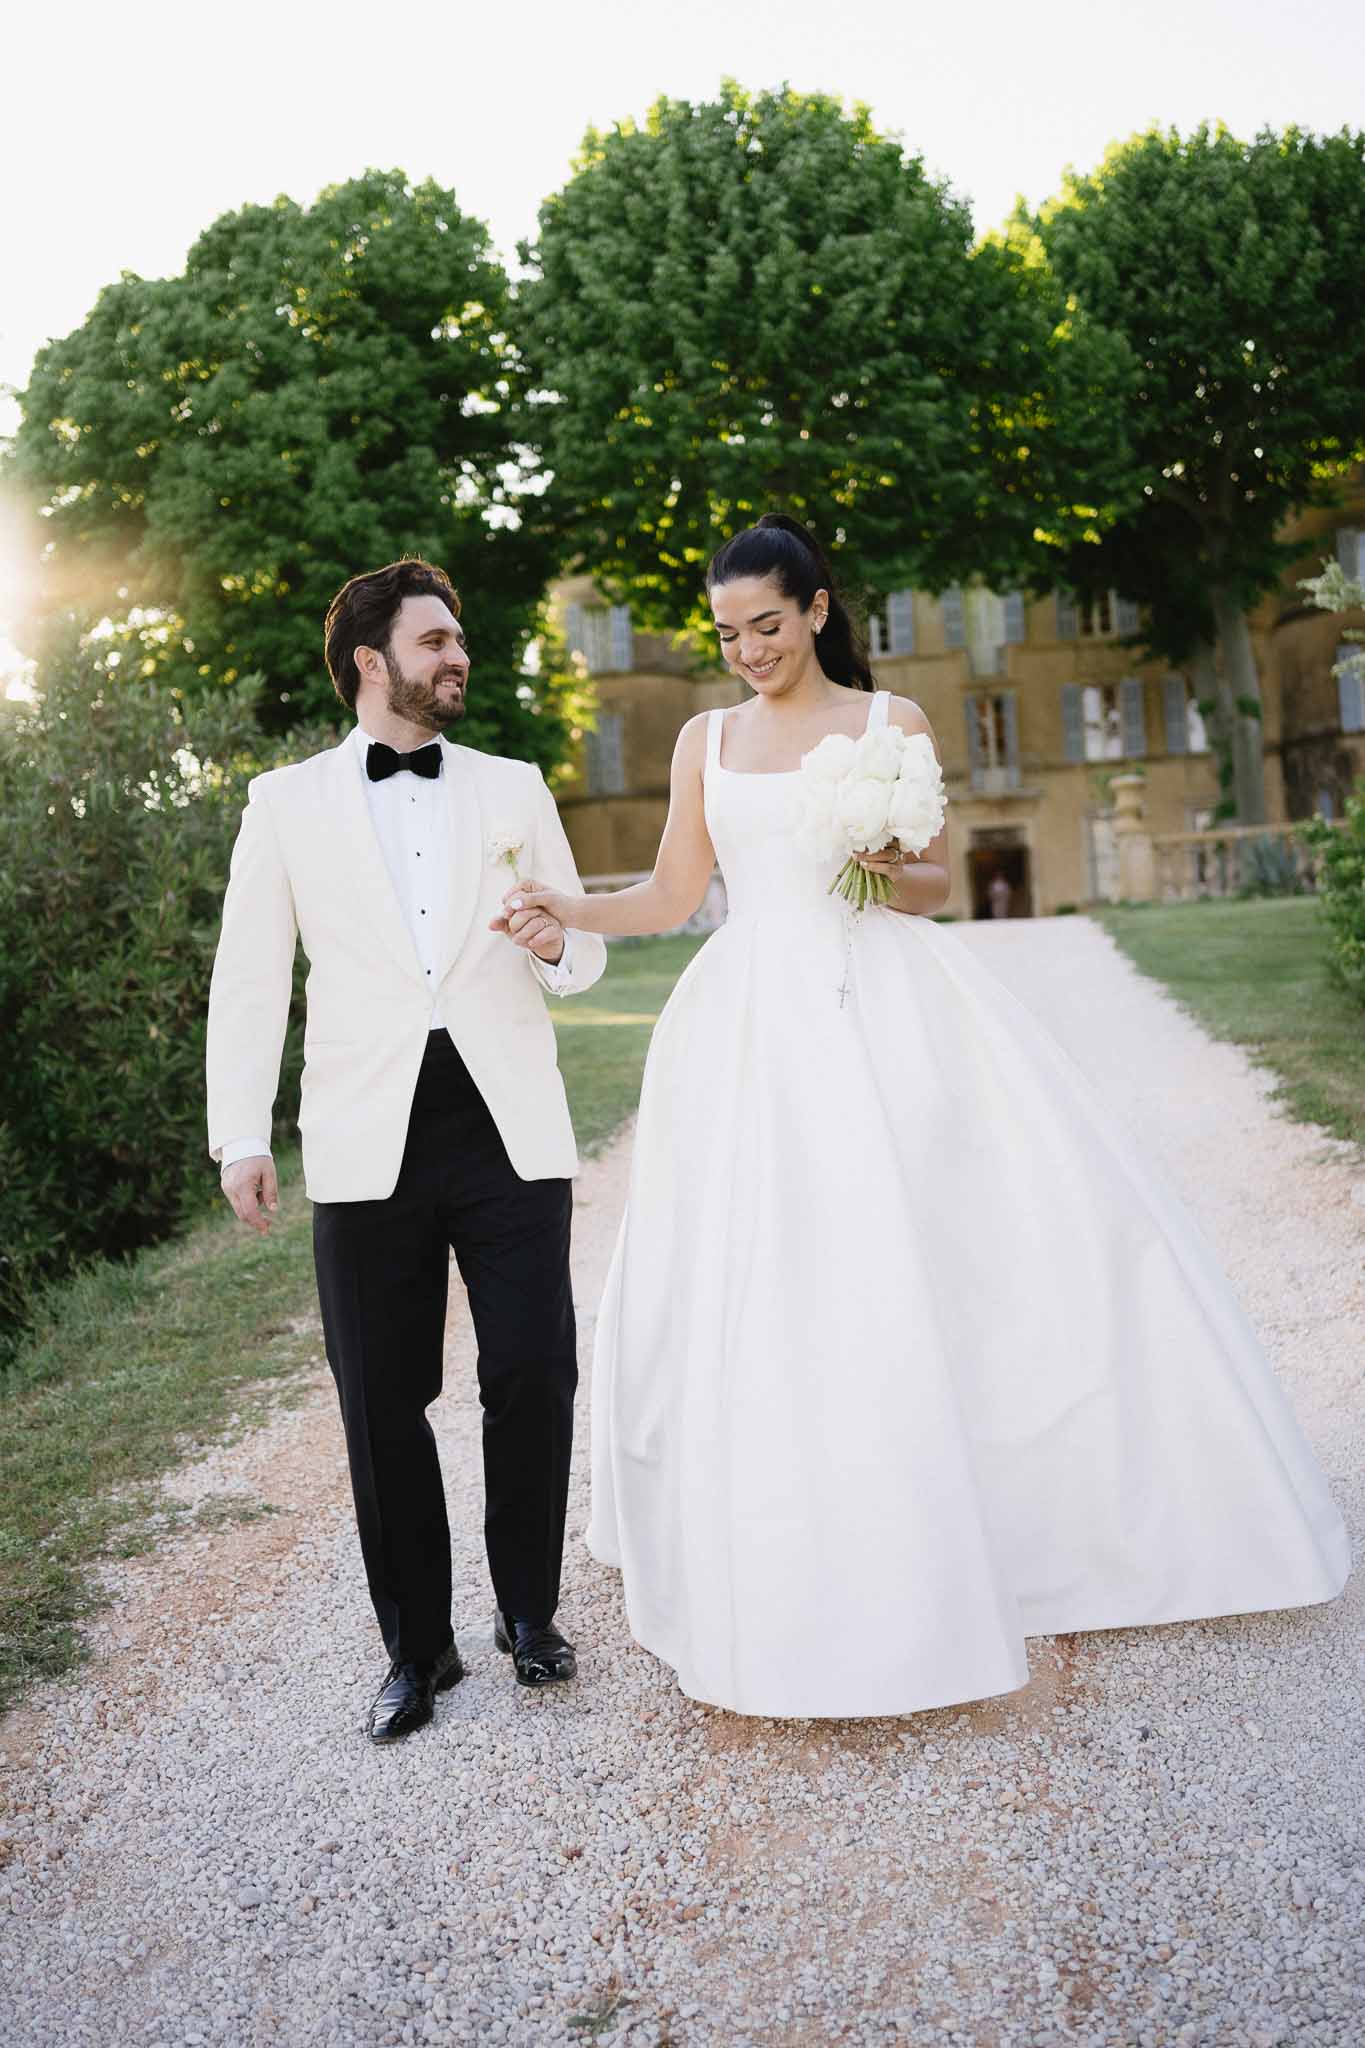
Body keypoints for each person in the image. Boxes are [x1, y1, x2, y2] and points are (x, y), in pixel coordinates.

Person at [500, 513, 1349, 1720]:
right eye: (730, 630)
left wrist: (868, 863)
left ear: (819, 609)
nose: (749, 649)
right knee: (761, 1264)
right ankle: (791, 1519)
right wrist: (567, 909)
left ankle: (984, 1509)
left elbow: (935, 881)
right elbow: (677, 891)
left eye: (770, 624)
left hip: (880, 998)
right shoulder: (704, 739)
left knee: (932, 1244)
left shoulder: (888, 723)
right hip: (746, 1018)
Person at [207, 557, 606, 1742]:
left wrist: (550, 938)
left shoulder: (514, 782)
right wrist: (241, 1131)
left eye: (461, 637)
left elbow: (579, 954)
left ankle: (530, 1615)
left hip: (507, 1125)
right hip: (363, 1134)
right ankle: (415, 1650)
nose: (458, 656)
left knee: (532, 1369)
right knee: (383, 1398)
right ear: (373, 661)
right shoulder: (284, 802)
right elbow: (249, 976)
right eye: (437, 640)